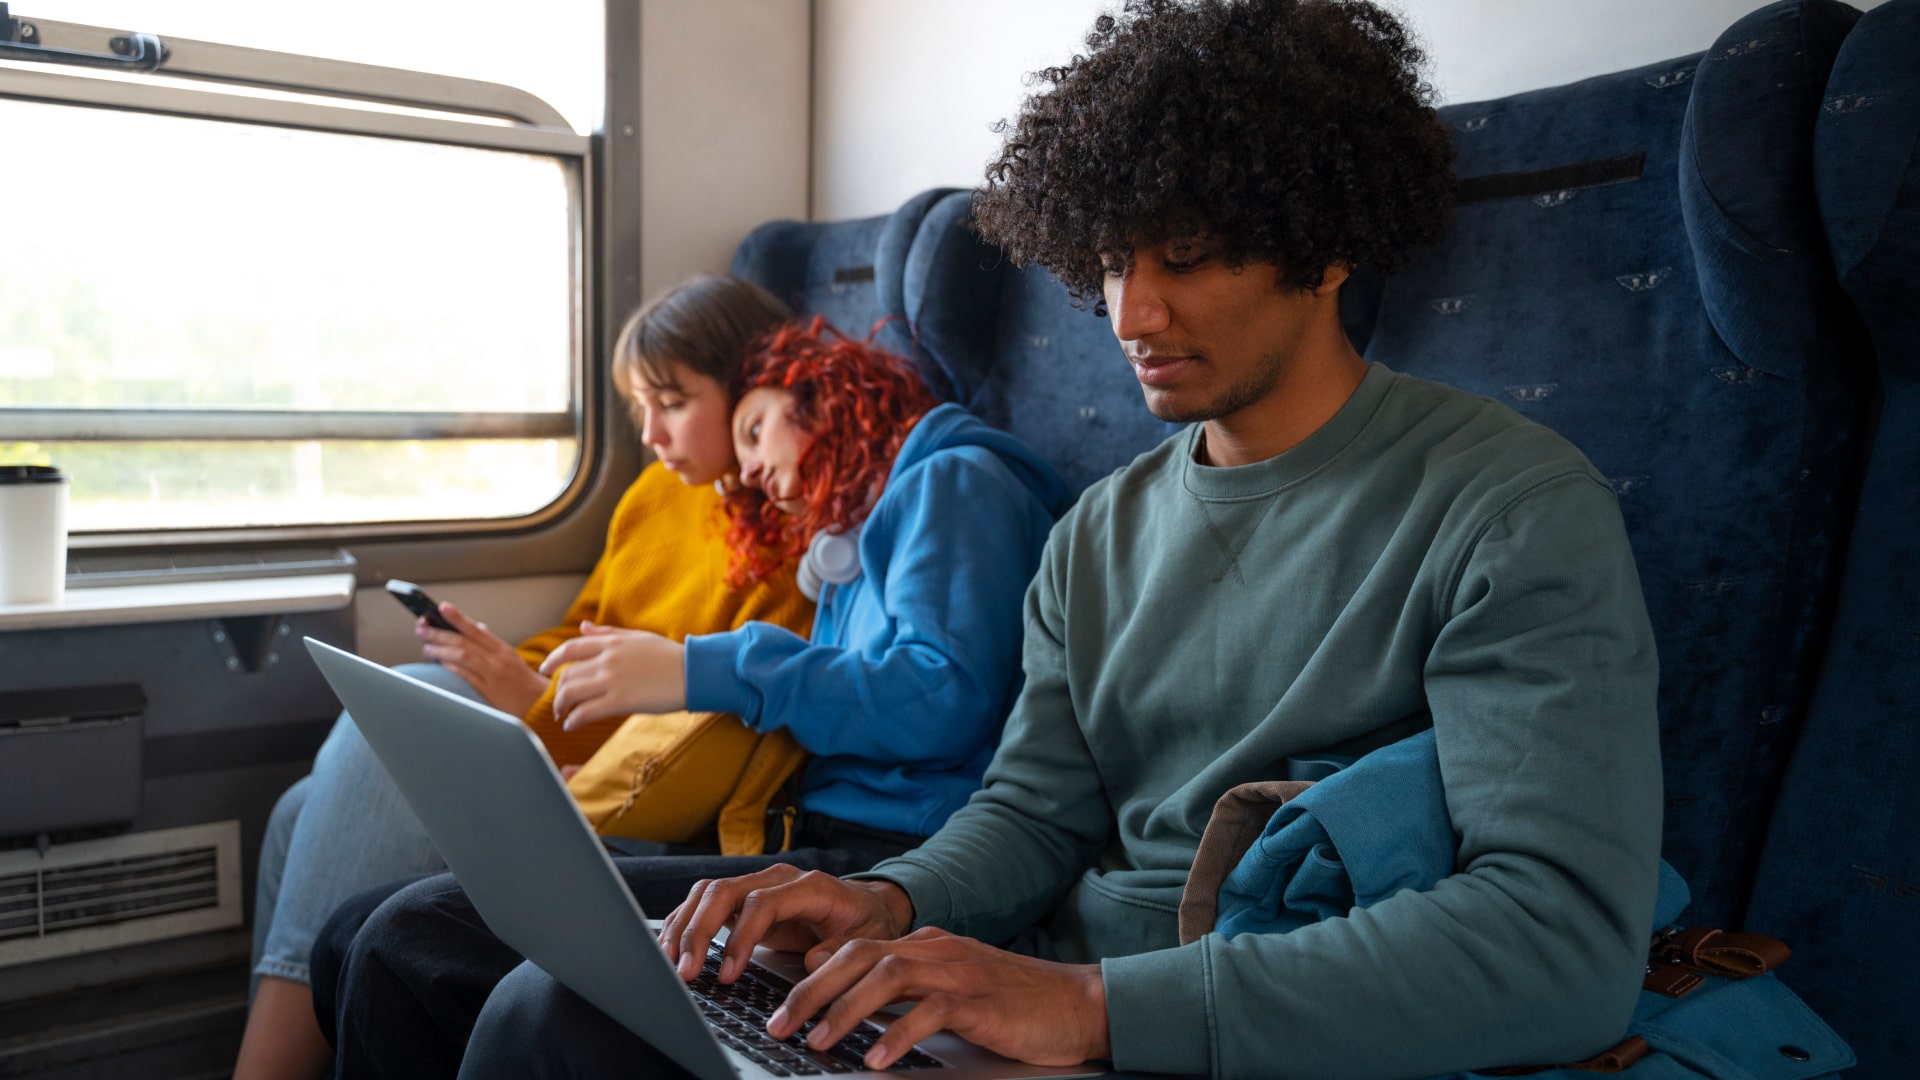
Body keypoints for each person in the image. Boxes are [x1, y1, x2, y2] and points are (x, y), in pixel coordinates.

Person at [404, 0, 1665, 1077]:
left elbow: (1560, 944)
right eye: (1111, 260)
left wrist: (1087, 1008)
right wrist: (888, 898)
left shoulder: (1506, 505)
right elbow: (1033, 815)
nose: (1133, 311)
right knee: (530, 995)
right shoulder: (1104, 529)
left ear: (1328, 244)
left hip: (1228, 1022)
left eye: (1190, 256)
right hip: (1048, 995)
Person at [322, 318, 1072, 1076]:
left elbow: (937, 701)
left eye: (755, 429)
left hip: (891, 859)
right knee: (355, 931)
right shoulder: (868, 524)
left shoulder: (954, 480)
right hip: (805, 844)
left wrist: (697, 668)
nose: (748, 468)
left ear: (828, 395)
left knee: (408, 937)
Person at [233, 274, 816, 1080]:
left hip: (623, 781)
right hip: (557, 734)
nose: (650, 434)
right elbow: (590, 627)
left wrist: (534, 706)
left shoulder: (791, 530)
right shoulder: (656, 496)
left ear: (754, 386)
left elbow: (703, 734)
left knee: (379, 745)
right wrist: (511, 664)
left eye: (673, 403)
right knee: (300, 811)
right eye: (639, 407)